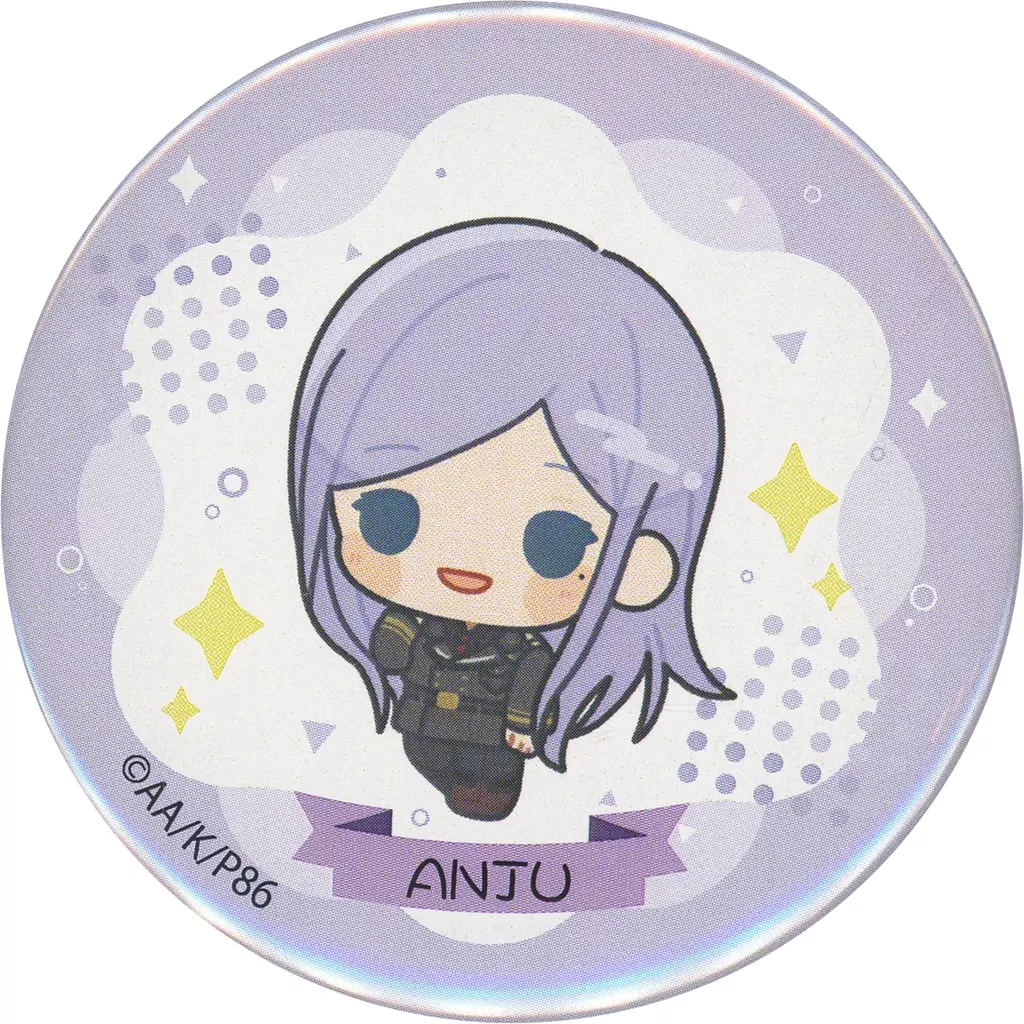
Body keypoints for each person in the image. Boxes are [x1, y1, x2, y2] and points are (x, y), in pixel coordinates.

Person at [291, 220, 733, 821]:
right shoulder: (419, 624)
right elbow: (391, 651)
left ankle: (487, 795)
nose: (464, 559)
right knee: (431, 757)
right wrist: (392, 638)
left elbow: (529, 680)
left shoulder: (522, 649)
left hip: (490, 738)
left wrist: (523, 724)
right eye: (390, 517)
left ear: (640, 566)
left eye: (552, 541)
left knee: (486, 775)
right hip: (422, 727)